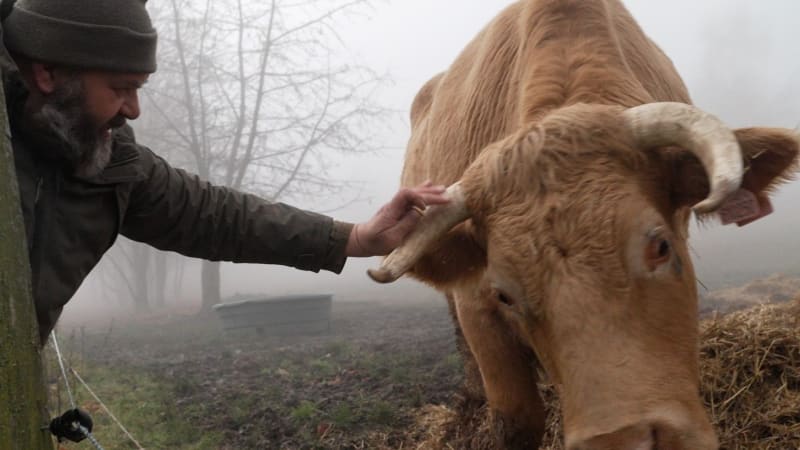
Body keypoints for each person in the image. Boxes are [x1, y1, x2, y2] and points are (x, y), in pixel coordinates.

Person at [0, 0, 448, 344]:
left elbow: (217, 216)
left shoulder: (110, 165)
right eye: (121, 89)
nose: (134, 110)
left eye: (138, 89)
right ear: (45, 73)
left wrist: (352, 238)